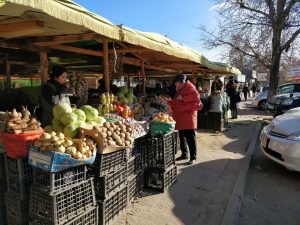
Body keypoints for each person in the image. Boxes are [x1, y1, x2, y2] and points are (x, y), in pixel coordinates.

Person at [168, 74, 202, 165]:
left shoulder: (190, 87)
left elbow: (197, 99)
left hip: (188, 117)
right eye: (175, 82)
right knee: (181, 136)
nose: (175, 84)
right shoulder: (180, 89)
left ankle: (193, 157)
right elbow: (177, 101)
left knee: (190, 137)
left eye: (176, 82)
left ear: (181, 82)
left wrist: (184, 98)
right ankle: (184, 154)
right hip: (181, 116)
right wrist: (169, 102)